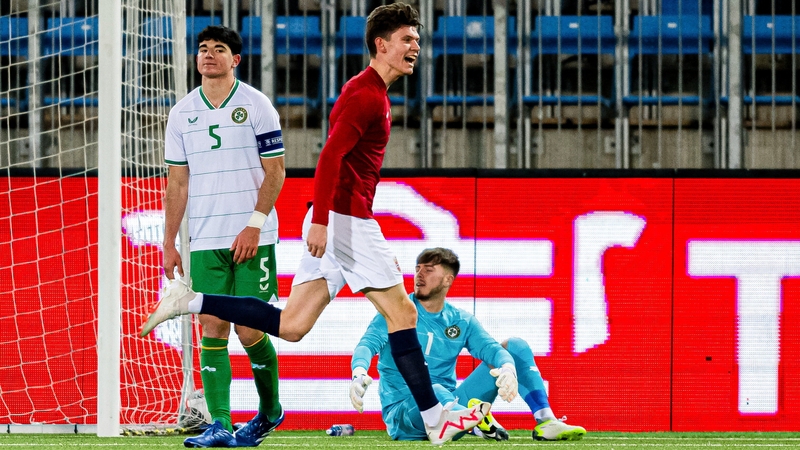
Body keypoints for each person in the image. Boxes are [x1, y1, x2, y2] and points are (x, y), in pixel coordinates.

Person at [141, 3, 490, 446]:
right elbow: (328, 158)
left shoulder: (370, 92)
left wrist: (323, 221)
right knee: (403, 313)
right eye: (407, 39)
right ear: (381, 44)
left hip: (338, 220)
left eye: (417, 40)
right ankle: (436, 417)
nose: (415, 47)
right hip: (347, 220)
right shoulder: (365, 96)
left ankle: (190, 301)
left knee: (291, 326)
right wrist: (323, 222)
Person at [151, 25, 285, 448]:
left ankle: (270, 412)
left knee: (249, 329)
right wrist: (170, 242)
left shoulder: (257, 104)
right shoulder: (181, 113)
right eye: (203, 49)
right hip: (205, 239)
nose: (209, 55)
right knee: (211, 327)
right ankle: (220, 424)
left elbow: (276, 171)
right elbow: (177, 183)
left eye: (219, 49)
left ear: (235, 59)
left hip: (252, 236)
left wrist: (255, 224)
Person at [349, 248, 587, 442]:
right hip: (405, 415)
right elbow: (367, 344)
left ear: (448, 279)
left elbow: (492, 349)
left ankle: (545, 420)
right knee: (434, 390)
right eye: (418, 268)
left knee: (515, 346)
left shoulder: (461, 320)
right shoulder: (397, 311)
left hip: (451, 403)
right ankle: (474, 421)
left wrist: (507, 368)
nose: (419, 275)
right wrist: (359, 371)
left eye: (428, 270)